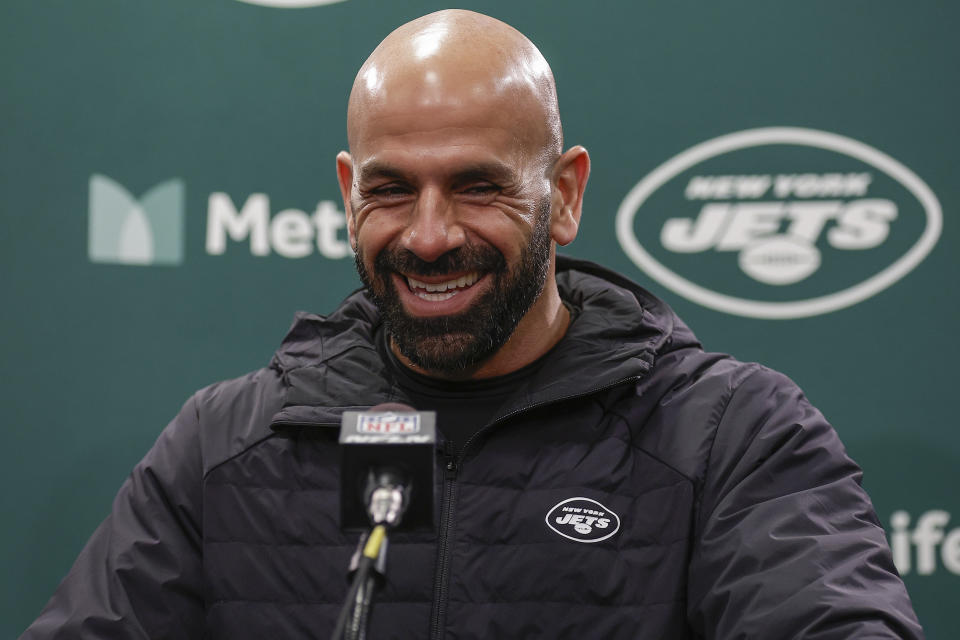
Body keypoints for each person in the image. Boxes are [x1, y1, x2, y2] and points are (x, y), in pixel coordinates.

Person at [22, 9, 923, 640]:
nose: (428, 236)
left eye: (477, 185)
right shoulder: (225, 447)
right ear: (347, 195)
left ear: (562, 196)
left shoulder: (730, 436)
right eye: (390, 190)